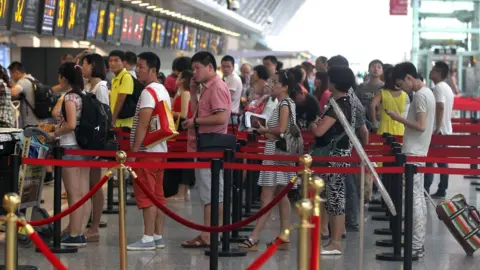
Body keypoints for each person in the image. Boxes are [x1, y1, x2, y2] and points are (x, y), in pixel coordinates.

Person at [238, 70, 298, 252]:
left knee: (267, 196)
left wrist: (262, 130)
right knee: (282, 196)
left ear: (285, 87)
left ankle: (254, 237)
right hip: (281, 153)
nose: (271, 86)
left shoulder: (284, 104)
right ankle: (284, 236)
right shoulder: (286, 103)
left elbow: (280, 129)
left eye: (275, 83)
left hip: (276, 153)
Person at [181, 51, 231, 248]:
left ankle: (209, 234)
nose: (194, 72)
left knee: (212, 193)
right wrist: (193, 93)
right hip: (204, 145)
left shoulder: (217, 87)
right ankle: (208, 232)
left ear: (210, 67)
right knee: (207, 193)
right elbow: (196, 113)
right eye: (193, 69)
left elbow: (221, 118)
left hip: (212, 147)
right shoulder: (205, 88)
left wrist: (195, 122)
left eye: (197, 68)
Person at [310, 66, 358, 255]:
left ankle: (335, 242)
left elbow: (319, 130)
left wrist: (314, 123)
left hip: (334, 156)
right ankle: (334, 240)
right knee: (335, 197)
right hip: (342, 153)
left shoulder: (339, 104)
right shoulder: (348, 101)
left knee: (335, 198)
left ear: (334, 82)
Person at [390, 62, 435, 258]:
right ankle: (417, 242)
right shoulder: (427, 93)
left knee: (415, 199)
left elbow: (421, 125)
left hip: (415, 152)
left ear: (409, 77)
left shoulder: (421, 96)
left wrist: (397, 118)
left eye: (401, 83)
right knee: (417, 199)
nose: (401, 88)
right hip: (418, 151)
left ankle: (416, 245)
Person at [127, 52, 170, 251]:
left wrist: (134, 153)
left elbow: (143, 124)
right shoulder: (162, 90)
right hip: (161, 150)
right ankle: (158, 236)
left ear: (153, 70)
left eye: (141, 66)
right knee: (158, 195)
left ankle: (147, 238)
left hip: (146, 152)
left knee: (146, 196)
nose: (137, 70)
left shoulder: (147, 92)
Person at [50, 62, 91, 246]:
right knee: (82, 192)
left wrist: (54, 133)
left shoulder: (69, 98)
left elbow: (71, 125)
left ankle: (74, 234)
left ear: (64, 78)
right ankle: (79, 232)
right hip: (83, 148)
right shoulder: (83, 96)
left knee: (73, 193)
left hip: (70, 147)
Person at [81, 53, 109, 242]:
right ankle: (86, 223)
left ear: (92, 66)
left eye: (83, 64)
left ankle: (95, 226)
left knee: (95, 184)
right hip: (86, 141)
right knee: (88, 184)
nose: (82, 68)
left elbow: (105, 116)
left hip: (96, 143)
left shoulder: (101, 87)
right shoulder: (88, 85)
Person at [424, 61, 454, 198]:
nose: (431, 72)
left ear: (439, 73)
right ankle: (442, 188)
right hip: (446, 129)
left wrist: (436, 127)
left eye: (433, 70)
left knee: (430, 160)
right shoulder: (447, 88)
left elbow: (440, 106)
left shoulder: (439, 88)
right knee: (442, 161)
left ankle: (426, 188)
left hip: (439, 131)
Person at [169, 70, 194, 201]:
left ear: (183, 80)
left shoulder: (185, 93)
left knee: (184, 161)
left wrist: (169, 112)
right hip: (180, 130)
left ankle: (181, 192)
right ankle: (182, 192)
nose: (176, 79)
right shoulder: (180, 93)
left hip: (183, 130)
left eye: (179, 77)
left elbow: (184, 114)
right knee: (182, 161)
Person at [370, 66, 409, 136]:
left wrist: (374, 122)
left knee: (383, 146)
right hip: (400, 127)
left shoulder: (381, 92)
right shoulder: (404, 94)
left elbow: (372, 105)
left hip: (384, 128)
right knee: (398, 146)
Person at [7, 62, 38, 127]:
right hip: (37, 119)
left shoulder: (22, 81)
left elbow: (13, 92)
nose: (11, 77)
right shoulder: (32, 79)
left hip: (30, 122)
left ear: (17, 73)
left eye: (11, 75)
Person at [109, 50, 134, 128]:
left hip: (123, 125)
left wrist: (112, 120)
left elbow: (121, 100)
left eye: (116, 60)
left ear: (123, 62)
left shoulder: (126, 77)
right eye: (110, 61)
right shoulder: (115, 79)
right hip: (116, 123)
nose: (112, 63)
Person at [355, 59, 384, 125]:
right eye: (373, 67)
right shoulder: (361, 86)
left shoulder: (385, 87)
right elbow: (356, 103)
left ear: (382, 71)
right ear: (368, 70)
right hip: (364, 121)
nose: (376, 69)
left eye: (379, 67)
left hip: (381, 122)